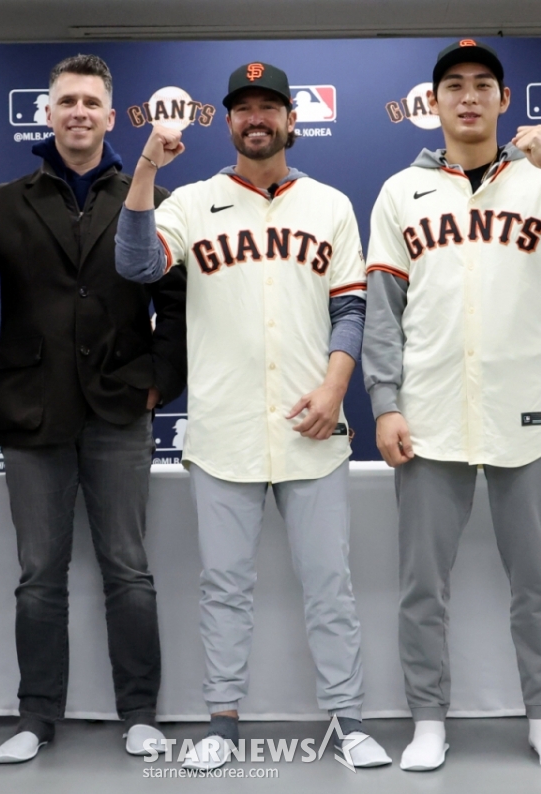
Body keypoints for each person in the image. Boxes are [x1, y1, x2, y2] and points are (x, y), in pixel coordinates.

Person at [115, 60, 391, 771]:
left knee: (330, 586)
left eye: (270, 106)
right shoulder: (192, 200)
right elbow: (137, 264)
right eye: (244, 107)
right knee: (224, 590)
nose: (257, 117)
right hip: (224, 430)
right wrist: (147, 168)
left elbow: (351, 306)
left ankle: (349, 720)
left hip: (313, 427)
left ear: (291, 120)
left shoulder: (329, 204)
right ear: (230, 121)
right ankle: (223, 725)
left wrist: (336, 388)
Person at [362, 39, 541, 773]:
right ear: (433, 102)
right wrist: (384, 403)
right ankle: (429, 722)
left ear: (505, 102)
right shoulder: (399, 192)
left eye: (483, 86)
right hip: (431, 414)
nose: (468, 97)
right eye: (453, 86)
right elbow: (383, 309)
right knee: (421, 588)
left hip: (527, 415)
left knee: (538, 584)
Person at [0, 53, 187, 764]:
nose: (78, 112)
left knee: (128, 570)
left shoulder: (152, 196)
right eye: (66, 101)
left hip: (119, 410)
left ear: (112, 117)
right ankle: (36, 716)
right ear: (48, 115)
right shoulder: (4, 199)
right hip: (32, 411)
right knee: (38, 574)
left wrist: (157, 384)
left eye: (91, 103)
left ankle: (140, 711)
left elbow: (177, 303)